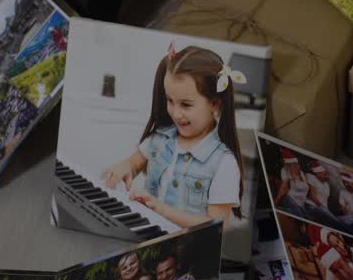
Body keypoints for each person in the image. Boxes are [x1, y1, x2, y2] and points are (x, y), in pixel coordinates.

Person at [101, 45, 245, 228]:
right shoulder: (159, 138)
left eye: (185, 104)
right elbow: (134, 164)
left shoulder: (224, 163)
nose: (175, 113)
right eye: (170, 100)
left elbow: (217, 226)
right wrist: (124, 166)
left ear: (214, 104)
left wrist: (161, 210)